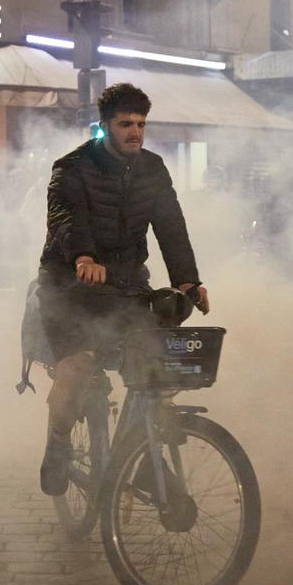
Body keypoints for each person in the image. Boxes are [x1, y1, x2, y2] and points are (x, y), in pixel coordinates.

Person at [34, 83, 210, 496]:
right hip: (68, 287)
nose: (135, 132)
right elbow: (65, 217)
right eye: (126, 124)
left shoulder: (153, 167)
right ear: (105, 126)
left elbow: (171, 226)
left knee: (158, 370)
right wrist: (83, 257)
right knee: (76, 369)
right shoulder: (72, 166)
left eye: (141, 124)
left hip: (128, 284)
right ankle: (57, 444)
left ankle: (146, 457)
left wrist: (188, 280)